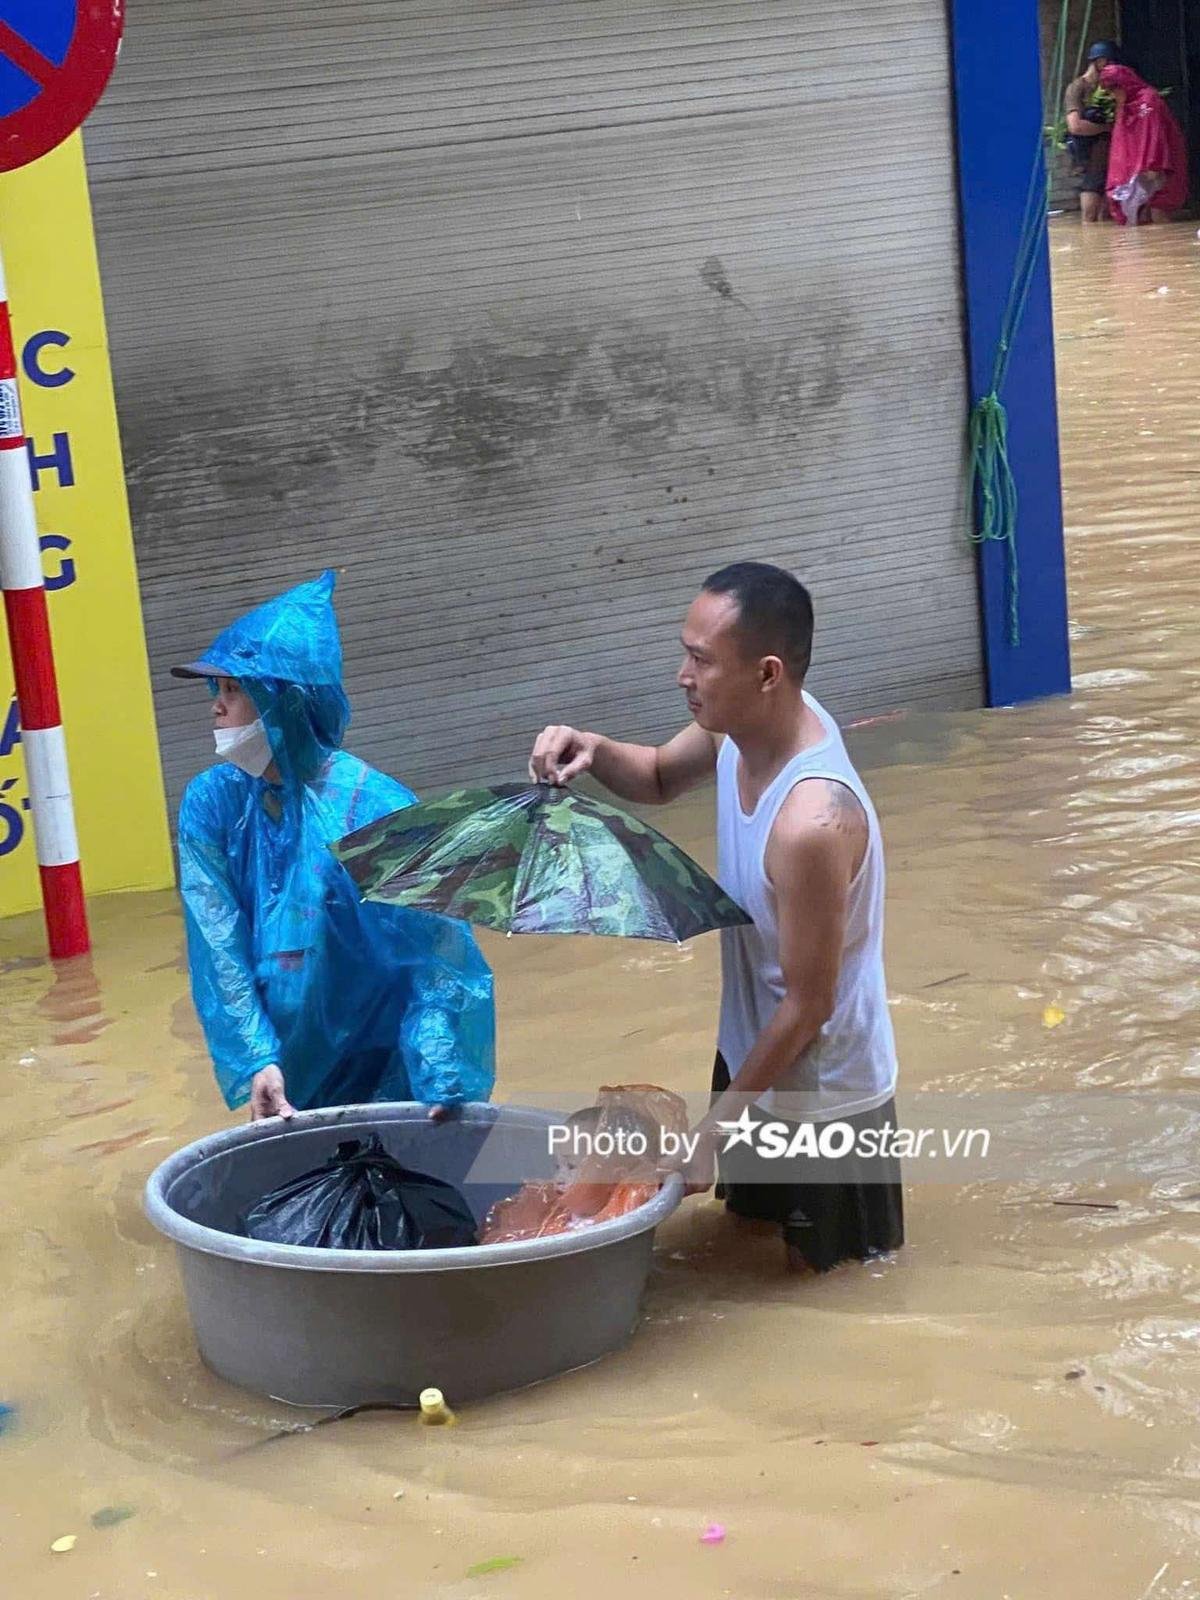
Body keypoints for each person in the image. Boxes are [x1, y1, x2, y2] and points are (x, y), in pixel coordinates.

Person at [528, 562, 902, 1273]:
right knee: (744, 1247)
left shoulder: (811, 823)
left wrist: (714, 1131)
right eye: (686, 652)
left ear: (767, 673)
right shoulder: (739, 728)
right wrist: (595, 749)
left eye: (701, 660)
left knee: (835, 1289)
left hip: (826, 1097)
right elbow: (662, 776)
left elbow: (811, 1002)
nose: (682, 675)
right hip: (753, 1055)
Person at [174, 570, 495, 1121]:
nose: (216, 706)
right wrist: (257, 1059)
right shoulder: (214, 804)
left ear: (285, 703)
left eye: (234, 689)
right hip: (284, 1065)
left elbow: (439, 951)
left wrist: (439, 1070)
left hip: (381, 1055)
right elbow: (217, 944)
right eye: (217, 689)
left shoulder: (373, 806)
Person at [1100, 64, 1189, 225]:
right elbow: (1122, 143)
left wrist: (1153, 165)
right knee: (1140, 217)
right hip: (1138, 172)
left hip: (1160, 166)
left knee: (1159, 211)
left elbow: (1155, 135)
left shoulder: (1148, 100)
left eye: (1113, 89)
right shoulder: (1124, 107)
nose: (1112, 95)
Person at [1064, 41, 1120, 224]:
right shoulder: (1077, 87)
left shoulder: (1112, 89)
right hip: (1090, 152)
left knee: (1107, 216)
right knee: (1091, 208)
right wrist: (1106, 128)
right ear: (1100, 61)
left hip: (1112, 154)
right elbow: (1075, 126)